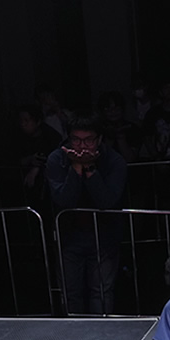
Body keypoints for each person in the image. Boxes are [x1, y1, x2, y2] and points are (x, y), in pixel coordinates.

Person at [45, 117, 128, 314]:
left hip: (104, 236)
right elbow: (64, 200)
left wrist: (90, 169)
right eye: (76, 140)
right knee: (70, 293)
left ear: (99, 139)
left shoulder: (113, 161)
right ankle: (73, 331)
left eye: (88, 140)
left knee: (101, 292)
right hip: (68, 236)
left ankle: (102, 331)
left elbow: (107, 201)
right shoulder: (57, 159)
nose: (82, 146)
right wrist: (76, 167)